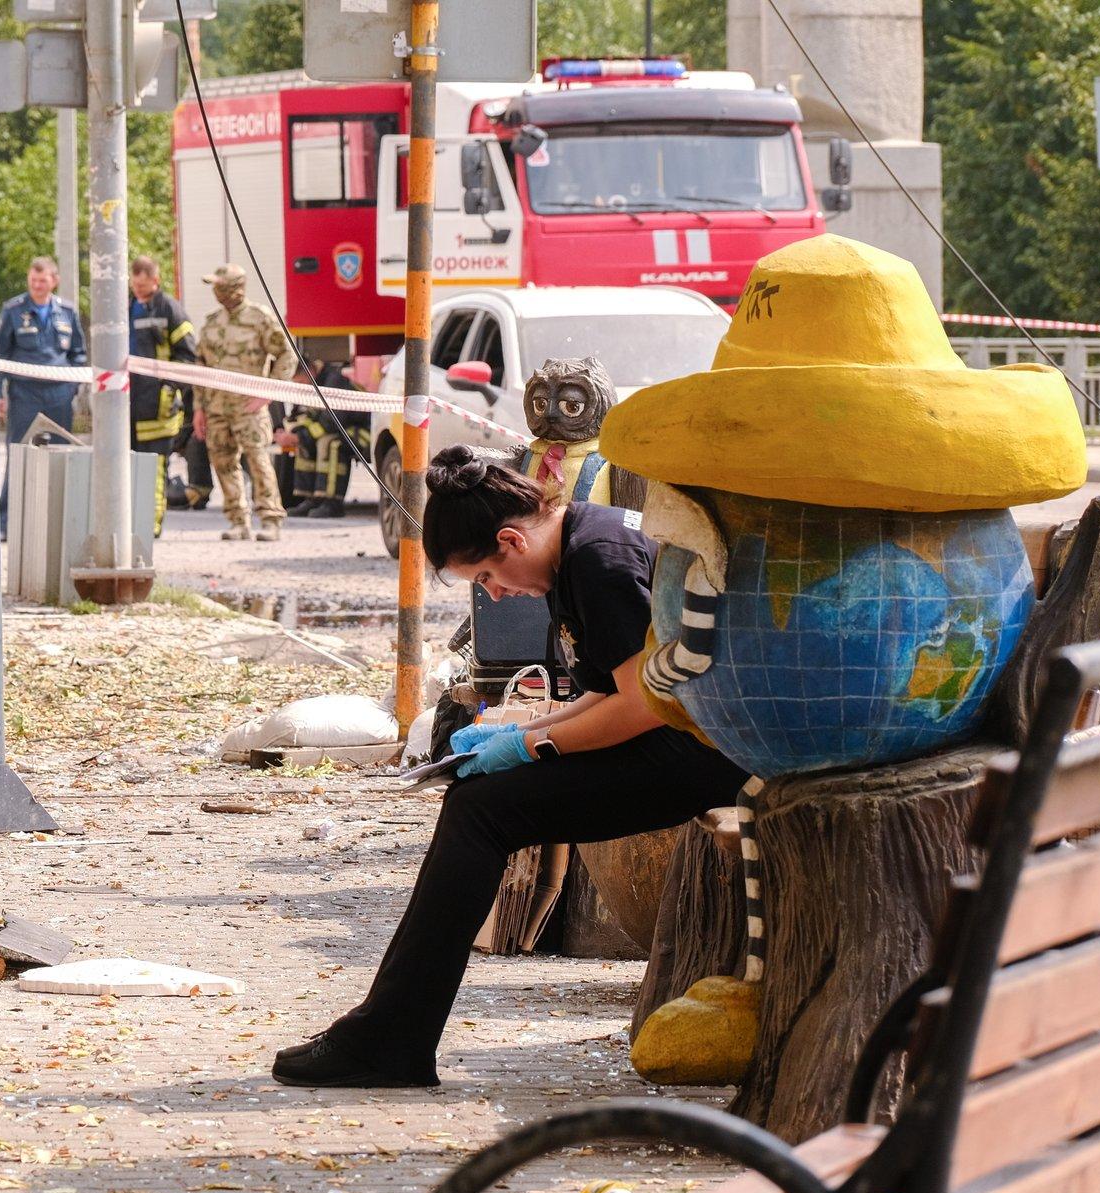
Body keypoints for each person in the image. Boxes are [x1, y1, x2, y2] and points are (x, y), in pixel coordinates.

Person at [271, 447, 750, 1088]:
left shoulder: (597, 562)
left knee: (481, 813)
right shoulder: (580, 538)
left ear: (510, 538)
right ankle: (389, 1032)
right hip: (695, 732)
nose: (497, 595)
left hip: (709, 749)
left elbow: (642, 709)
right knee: (477, 799)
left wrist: (530, 749)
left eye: (489, 577)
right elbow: (607, 691)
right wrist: (516, 731)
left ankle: (390, 1037)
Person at [194, 264, 295, 542]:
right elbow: (200, 365)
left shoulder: (259, 318)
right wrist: (199, 408)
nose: (216, 291)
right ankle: (238, 520)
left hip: (248, 407)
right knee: (223, 461)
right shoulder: (213, 322)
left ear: (234, 287)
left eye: (220, 286)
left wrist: (269, 391)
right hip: (216, 406)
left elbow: (287, 355)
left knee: (259, 459)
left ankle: (271, 518)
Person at [0, 257, 86, 529]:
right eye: (33, 280)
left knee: (61, 455)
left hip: (59, 394)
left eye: (42, 280)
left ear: (54, 281)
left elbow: (78, 354)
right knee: (20, 454)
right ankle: (7, 521)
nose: (37, 285)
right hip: (25, 394)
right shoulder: (13, 310)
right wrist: (0, 393)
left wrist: (73, 387)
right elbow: (0, 355)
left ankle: (63, 520)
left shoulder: (67, 312)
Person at [127, 255, 199, 536]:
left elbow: (187, 356)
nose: (139, 290)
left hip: (158, 404)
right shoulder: (126, 305)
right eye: (135, 285)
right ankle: (131, 522)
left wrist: (169, 386)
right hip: (129, 404)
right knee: (128, 465)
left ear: (155, 281)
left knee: (154, 468)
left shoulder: (169, 308)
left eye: (144, 286)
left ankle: (150, 526)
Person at [282, 360, 368, 519]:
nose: (300, 388)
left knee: (329, 444)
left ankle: (332, 503)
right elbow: (302, 416)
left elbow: (333, 421)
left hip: (363, 429)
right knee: (307, 442)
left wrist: (300, 436)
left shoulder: (333, 383)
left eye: (301, 382)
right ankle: (312, 499)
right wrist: (292, 433)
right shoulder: (312, 384)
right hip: (340, 428)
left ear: (310, 372)